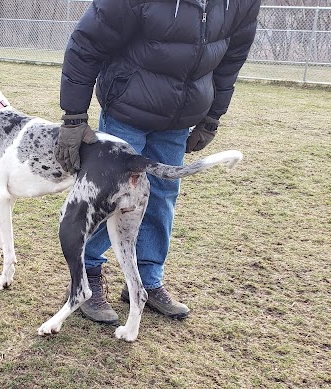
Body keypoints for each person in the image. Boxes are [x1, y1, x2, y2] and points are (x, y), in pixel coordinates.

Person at [56, 0, 261, 323]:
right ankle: (88, 275)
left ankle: (147, 281)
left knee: (163, 196)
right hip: (127, 108)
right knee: (107, 197)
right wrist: (74, 116)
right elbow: (87, 42)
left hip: (180, 117)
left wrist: (211, 117)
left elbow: (231, 59)